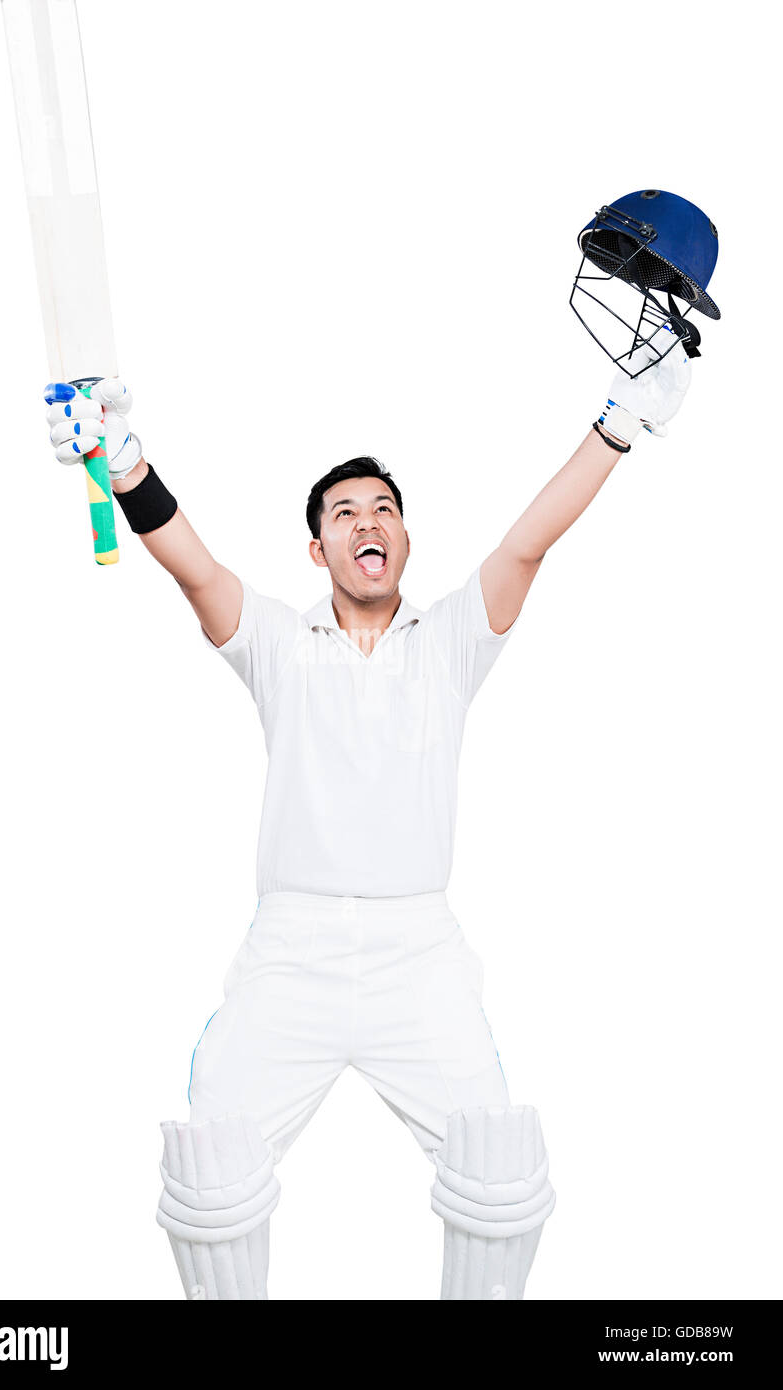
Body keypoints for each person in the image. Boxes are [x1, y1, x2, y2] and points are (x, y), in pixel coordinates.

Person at [45, 327, 691, 1300]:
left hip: (417, 950)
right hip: (289, 951)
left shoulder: (451, 640)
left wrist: (618, 423)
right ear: (319, 547)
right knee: (210, 1175)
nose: (364, 521)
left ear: (401, 539)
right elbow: (193, 567)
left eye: (381, 508)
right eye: (343, 512)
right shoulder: (274, 638)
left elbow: (527, 539)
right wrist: (124, 461)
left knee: (500, 1173)